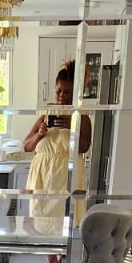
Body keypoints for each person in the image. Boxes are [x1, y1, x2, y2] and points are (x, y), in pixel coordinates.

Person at [23, 63, 92, 195]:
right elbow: (26, 146)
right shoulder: (47, 115)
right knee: (39, 214)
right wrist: (39, 134)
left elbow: (84, 147)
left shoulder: (81, 117)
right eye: (58, 91)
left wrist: (72, 127)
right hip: (41, 178)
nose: (62, 95)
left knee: (66, 213)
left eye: (67, 92)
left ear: (74, 93)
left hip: (67, 177)